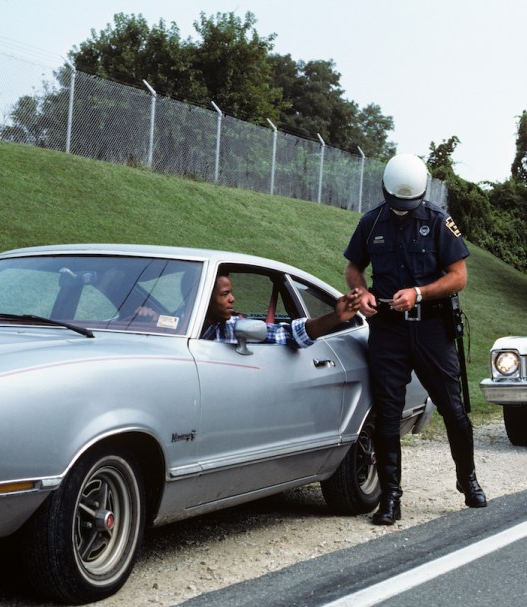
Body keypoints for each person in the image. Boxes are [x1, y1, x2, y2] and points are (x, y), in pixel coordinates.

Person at [343, 152, 487, 525]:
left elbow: (459, 276)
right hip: (388, 329)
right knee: (388, 414)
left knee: (453, 409)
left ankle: (467, 479)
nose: (403, 209)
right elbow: (353, 268)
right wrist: (364, 294)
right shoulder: (371, 221)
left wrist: (420, 293)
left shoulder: (439, 221)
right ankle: (391, 497)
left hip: (431, 328)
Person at [201, 273, 362, 347]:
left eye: (230, 293)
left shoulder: (232, 328)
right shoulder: (177, 325)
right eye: (225, 294)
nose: (232, 299)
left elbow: (290, 333)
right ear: (205, 297)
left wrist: (337, 317)